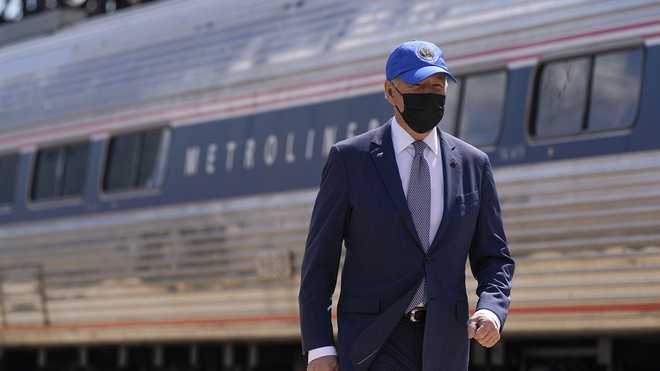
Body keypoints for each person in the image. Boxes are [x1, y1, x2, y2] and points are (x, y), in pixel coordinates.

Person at [298, 40, 515, 371]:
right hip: (373, 344)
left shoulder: (474, 164)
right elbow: (319, 264)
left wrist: (491, 310)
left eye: (437, 85)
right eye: (417, 85)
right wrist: (320, 346)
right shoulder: (351, 160)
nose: (429, 93)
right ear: (389, 91)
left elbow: (494, 257)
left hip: (445, 346)